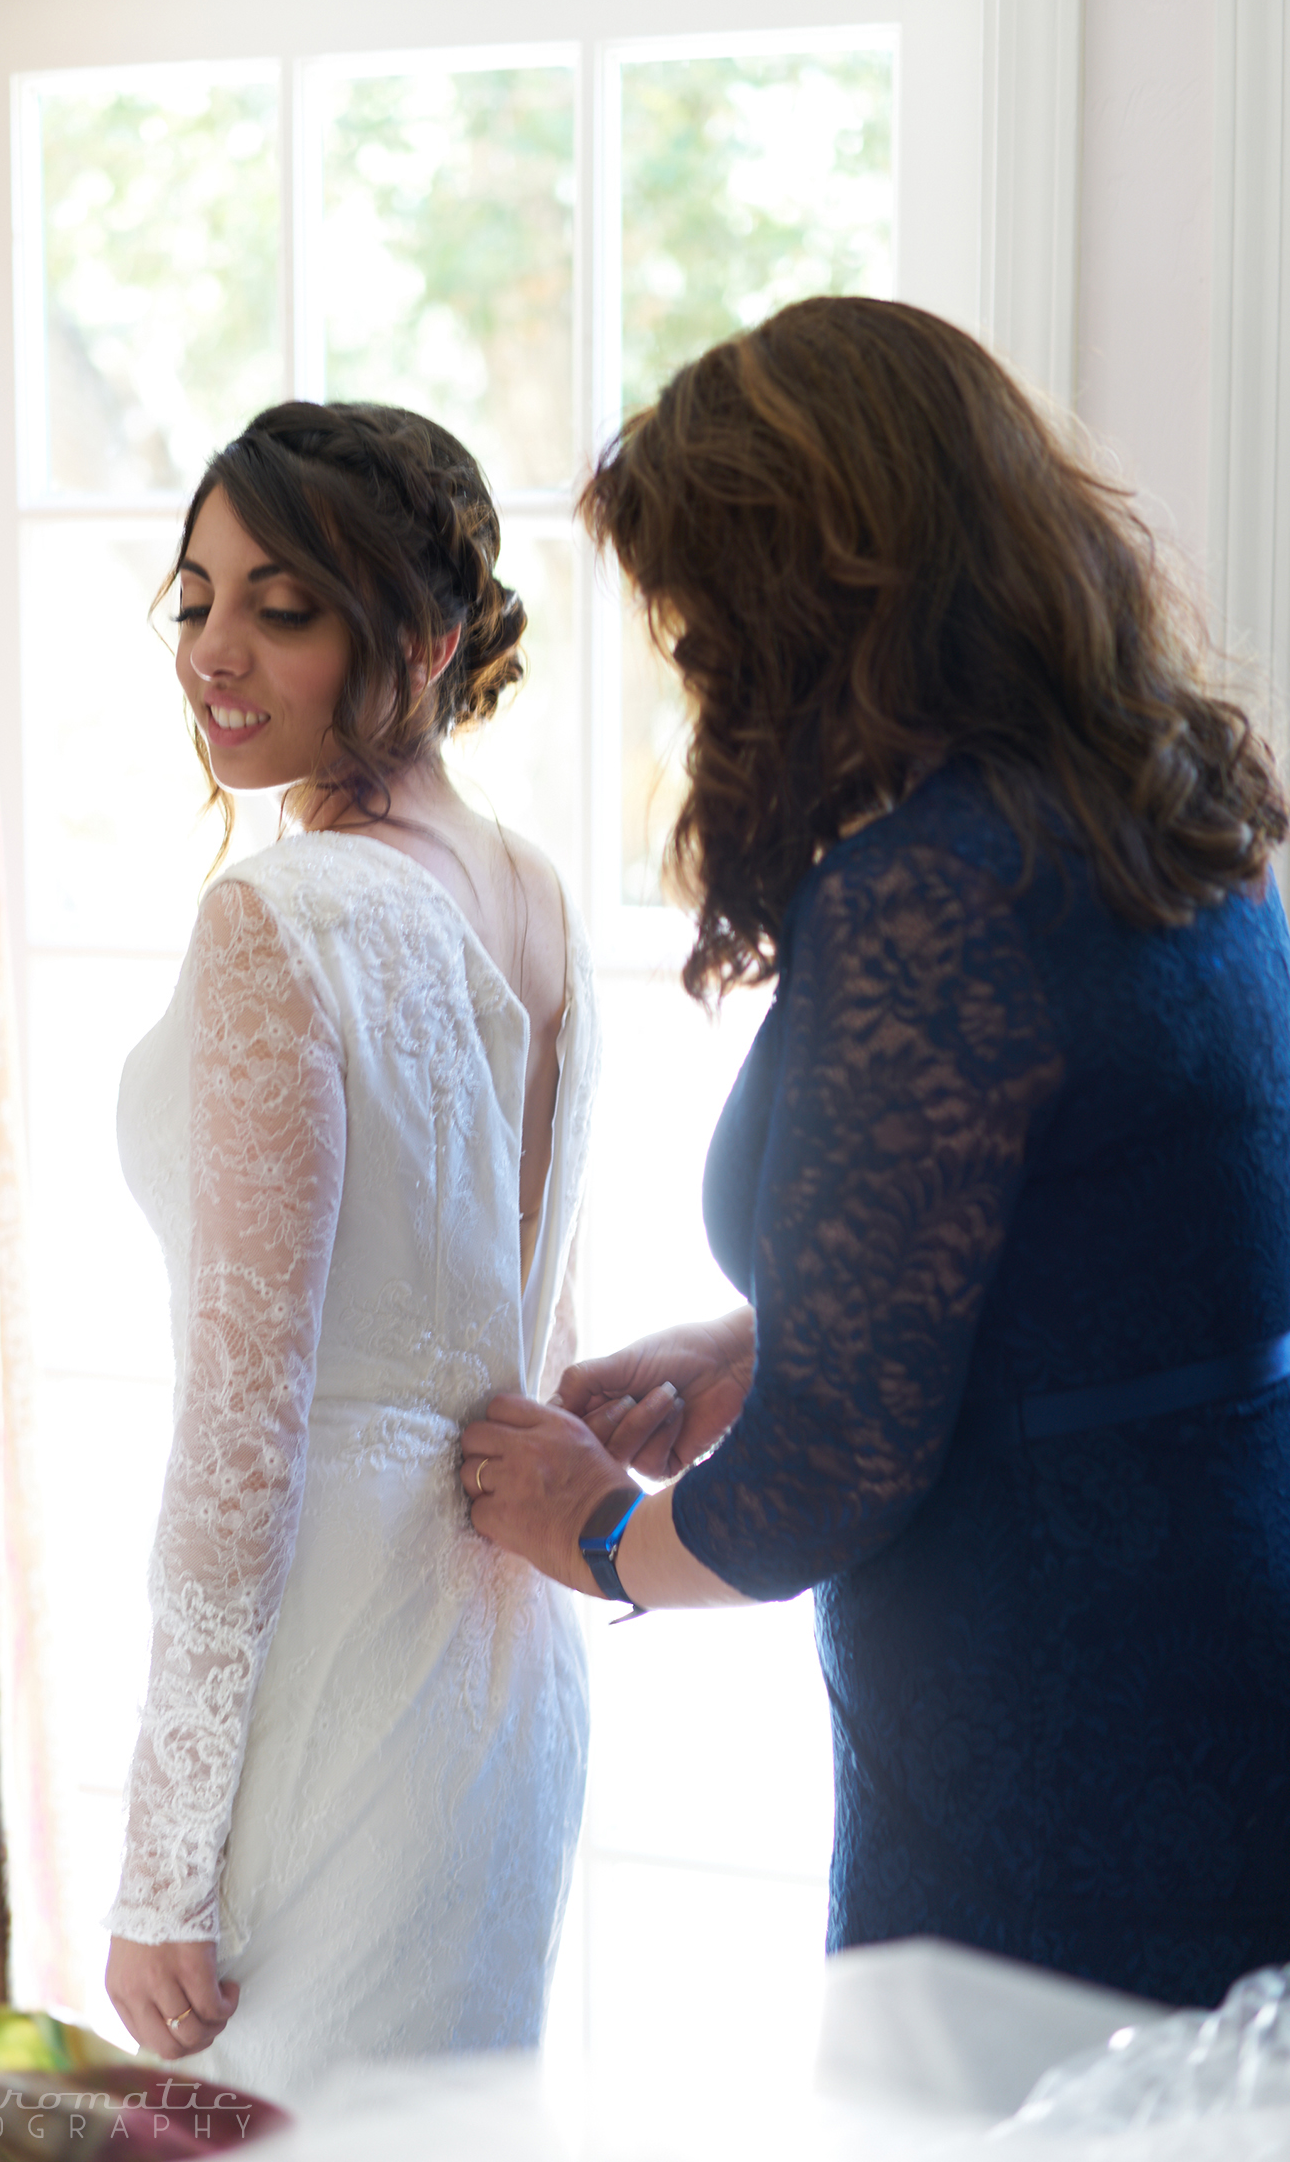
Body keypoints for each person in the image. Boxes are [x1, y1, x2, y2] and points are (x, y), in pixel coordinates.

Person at [461, 296, 1290, 2009]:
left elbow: (823, 1483)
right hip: (1218, 1628)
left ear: (814, 615)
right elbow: (1117, 1246)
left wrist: (599, 1530)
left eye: (704, 635)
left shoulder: (936, 894)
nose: (699, 680)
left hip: (1052, 1714)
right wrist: (776, 1337)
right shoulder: (1167, 818)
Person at [103, 401, 598, 2099]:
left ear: (427, 638)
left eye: (283, 608)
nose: (215, 653)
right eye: (194, 598)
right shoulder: (530, 891)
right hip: (500, 1688)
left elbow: (246, 1422)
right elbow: (528, 1339)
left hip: (332, 1672)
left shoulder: (286, 915)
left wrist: (167, 1856)